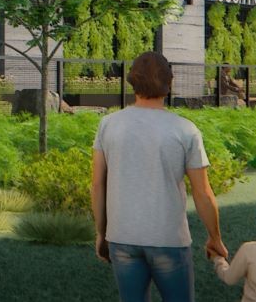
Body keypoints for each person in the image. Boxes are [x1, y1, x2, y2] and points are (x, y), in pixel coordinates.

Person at [91, 51, 231, 302]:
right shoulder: (184, 129)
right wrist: (215, 238)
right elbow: (203, 193)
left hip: (121, 236)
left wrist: (101, 232)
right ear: (170, 83)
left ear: (132, 81)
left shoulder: (108, 124)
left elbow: (98, 184)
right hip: (168, 238)